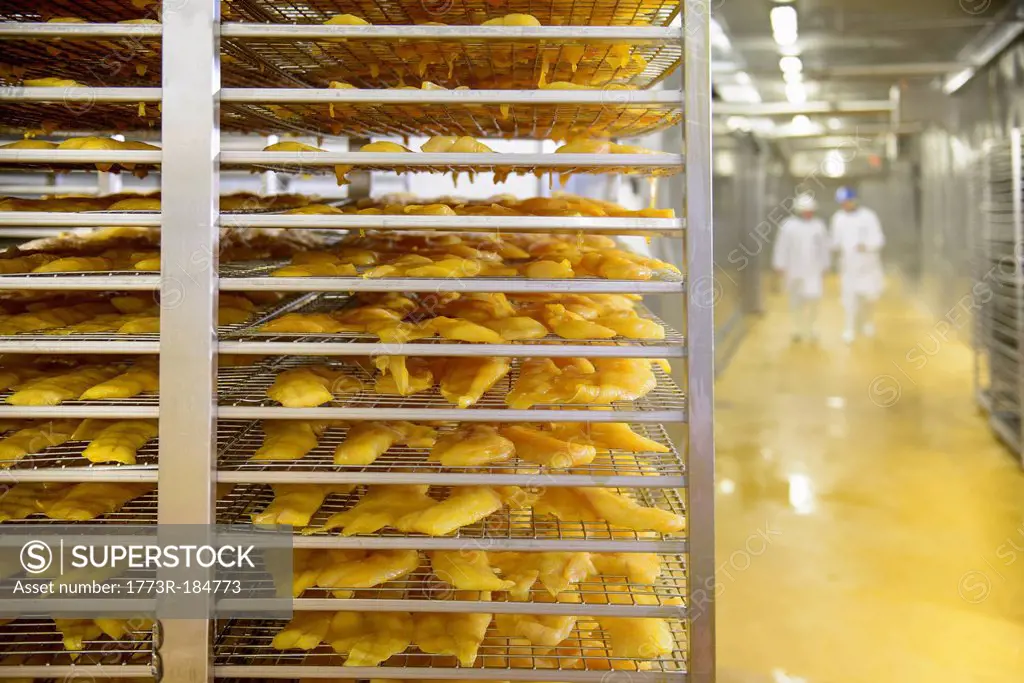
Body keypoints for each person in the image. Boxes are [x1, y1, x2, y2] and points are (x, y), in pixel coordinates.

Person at [771, 193, 830, 342]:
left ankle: (811, 328)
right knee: (795, 300)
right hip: (794, 269)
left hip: (813, 270)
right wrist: (779, 264)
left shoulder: (819, 226)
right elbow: (781, 247)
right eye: (805, 210)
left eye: (810, 210)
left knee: (814, 298)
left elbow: (824, 248)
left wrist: (825, 264)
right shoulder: (788, 226)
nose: (808, 213)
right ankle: (797, 329)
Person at [829, 186, 885, 343]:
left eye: (847, 202)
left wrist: (866, 246)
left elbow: (879, 239)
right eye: (842, 203)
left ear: (854, 201)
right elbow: (835, 240)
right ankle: (849, 329)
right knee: (849, 299)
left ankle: (867, 322)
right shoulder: (838, 218)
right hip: (848, 267)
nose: (845, 205)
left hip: (868, 265)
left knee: (869, 297)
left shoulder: (868, 216)